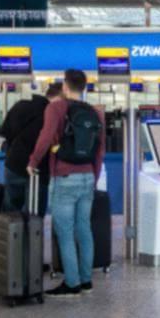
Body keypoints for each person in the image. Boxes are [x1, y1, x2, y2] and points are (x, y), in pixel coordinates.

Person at [28, 69, 105, 298]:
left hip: (64, 176)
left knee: (64, 231)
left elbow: (45, 136)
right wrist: (94, 175)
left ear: (65, 87)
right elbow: (99, 150)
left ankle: (72, 283)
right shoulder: (94, 112)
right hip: (88, 177)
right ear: (84, 88)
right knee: (84, 228)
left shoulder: (56, 108)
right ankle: (86, 281)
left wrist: (33, 161)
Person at [0, 82, 61, 213]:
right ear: (60, 98)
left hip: (13, 165)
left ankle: (9, 233)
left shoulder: (21, 105)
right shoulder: (53, 115)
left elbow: (5, 133)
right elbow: (50, 142)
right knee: (34, 215)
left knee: (10, 212)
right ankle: (29, 234)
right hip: (38, 169)